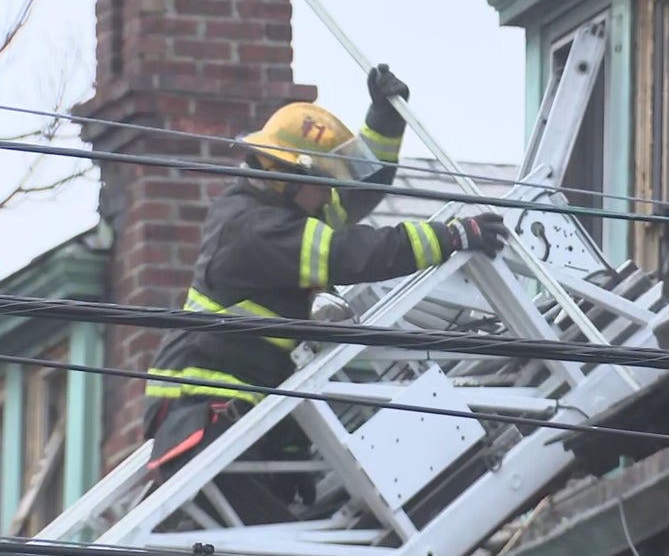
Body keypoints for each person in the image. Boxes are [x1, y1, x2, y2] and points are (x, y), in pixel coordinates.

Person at [141, 64, 510, 526]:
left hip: (231, 420)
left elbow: (357, 189)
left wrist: (384, 121)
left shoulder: (282, 205)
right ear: (292, 179)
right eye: (323, 187)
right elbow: (351, 253)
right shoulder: (254, 231)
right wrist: (451, 237)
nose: (330, 198)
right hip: (204, 420)